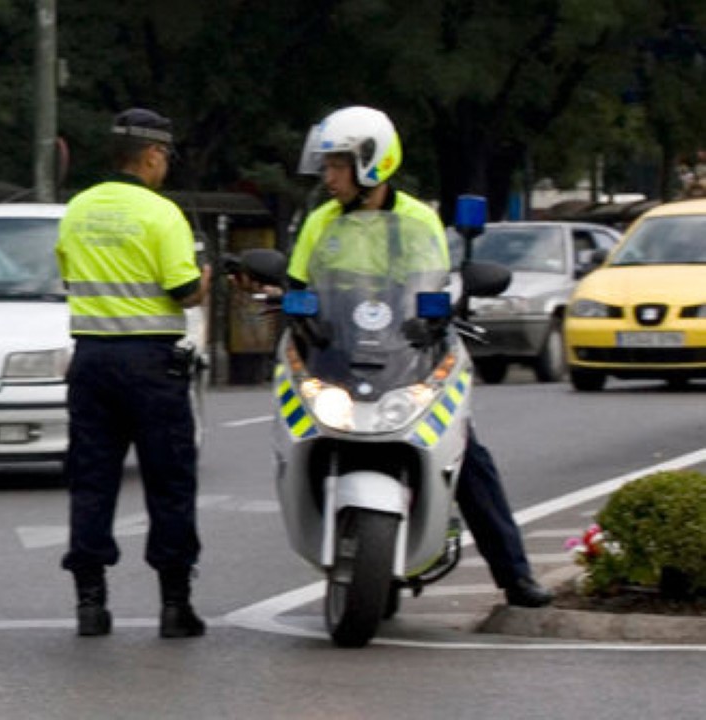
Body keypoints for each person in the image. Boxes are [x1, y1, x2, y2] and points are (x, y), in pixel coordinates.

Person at [254, 106, 554, 608]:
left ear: (370, 162)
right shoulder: (320, 221)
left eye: (337, 165)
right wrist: (291, 303)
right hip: (337, 354)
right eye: (326, 165)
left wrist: (433, 316)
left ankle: (515, 575)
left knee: (467, 458)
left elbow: (432, 286)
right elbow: (300, 283)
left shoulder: (418, 220)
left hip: (404, 354)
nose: (328, 176)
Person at [55, 108, 212, 637]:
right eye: (164, 155)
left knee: (91, 481)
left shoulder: (76, 210)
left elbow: (68, 275)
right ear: (150, 155)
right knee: (169, 483)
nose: (164, 165)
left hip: (92, 362)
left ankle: (91, 606)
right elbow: (183, 289)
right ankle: (174, 606)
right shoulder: (161, 214)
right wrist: (207, 280)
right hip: (151, 366)